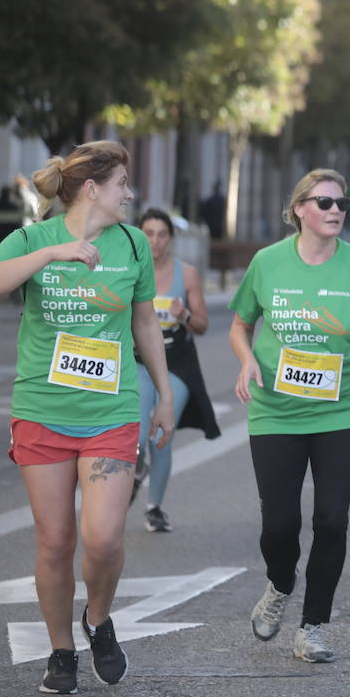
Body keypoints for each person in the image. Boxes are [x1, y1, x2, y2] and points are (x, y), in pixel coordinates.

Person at [0, 140, 175, 694]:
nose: (130, 195)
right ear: (92, 188)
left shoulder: (134, 244)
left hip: (110, 409)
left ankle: (98, 619)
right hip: (42, 410)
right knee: (55, 540)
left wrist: (162, 394)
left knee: (105, 537)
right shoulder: (30, 238)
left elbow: (143, 324)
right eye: (122, 185)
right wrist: (50, 255)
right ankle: (61, 650)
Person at [230, 169, 350, 664]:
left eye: (341, 202)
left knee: (331, 521)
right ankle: (281, 583)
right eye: (323, 202)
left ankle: (313, 626)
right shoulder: (267, 263)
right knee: (279, 526)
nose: (335, 210)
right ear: (299, 208)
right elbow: (241, 323)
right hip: (276, 412)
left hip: (340, 410)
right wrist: (246, 358)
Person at [133, 208, 220, 532]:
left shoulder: (189, 275)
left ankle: (154, 507)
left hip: (176, 363)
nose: (155, 241)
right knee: (138, 434)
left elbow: (201, 326)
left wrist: (183, 315)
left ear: (171, 238)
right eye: (148, 234)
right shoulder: (130, 270)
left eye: (162, 234)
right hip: (139, 362)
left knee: (161, 435)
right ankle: (134, 471)